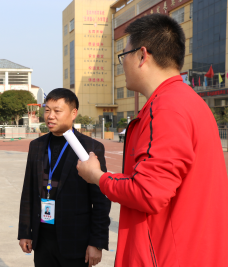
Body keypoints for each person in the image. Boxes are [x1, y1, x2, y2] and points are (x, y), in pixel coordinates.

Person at [77, 14, 228, 267]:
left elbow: (147, 193)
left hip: (166, 256)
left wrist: (98, 177)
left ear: (142, 55)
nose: (122, 63)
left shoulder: (166, 109)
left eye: (123, 55)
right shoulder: (191, 102)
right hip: (195, 251)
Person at [18, 88, 111, 267]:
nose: (50, 116)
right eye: (47, 110)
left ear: (73, 113)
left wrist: (96, 242)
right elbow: (28, 191)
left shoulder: (90, 147)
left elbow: (101, 199)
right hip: (43, 238)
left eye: (57, 111)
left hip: (76, 240)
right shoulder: (36, 146)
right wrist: (25, 232)